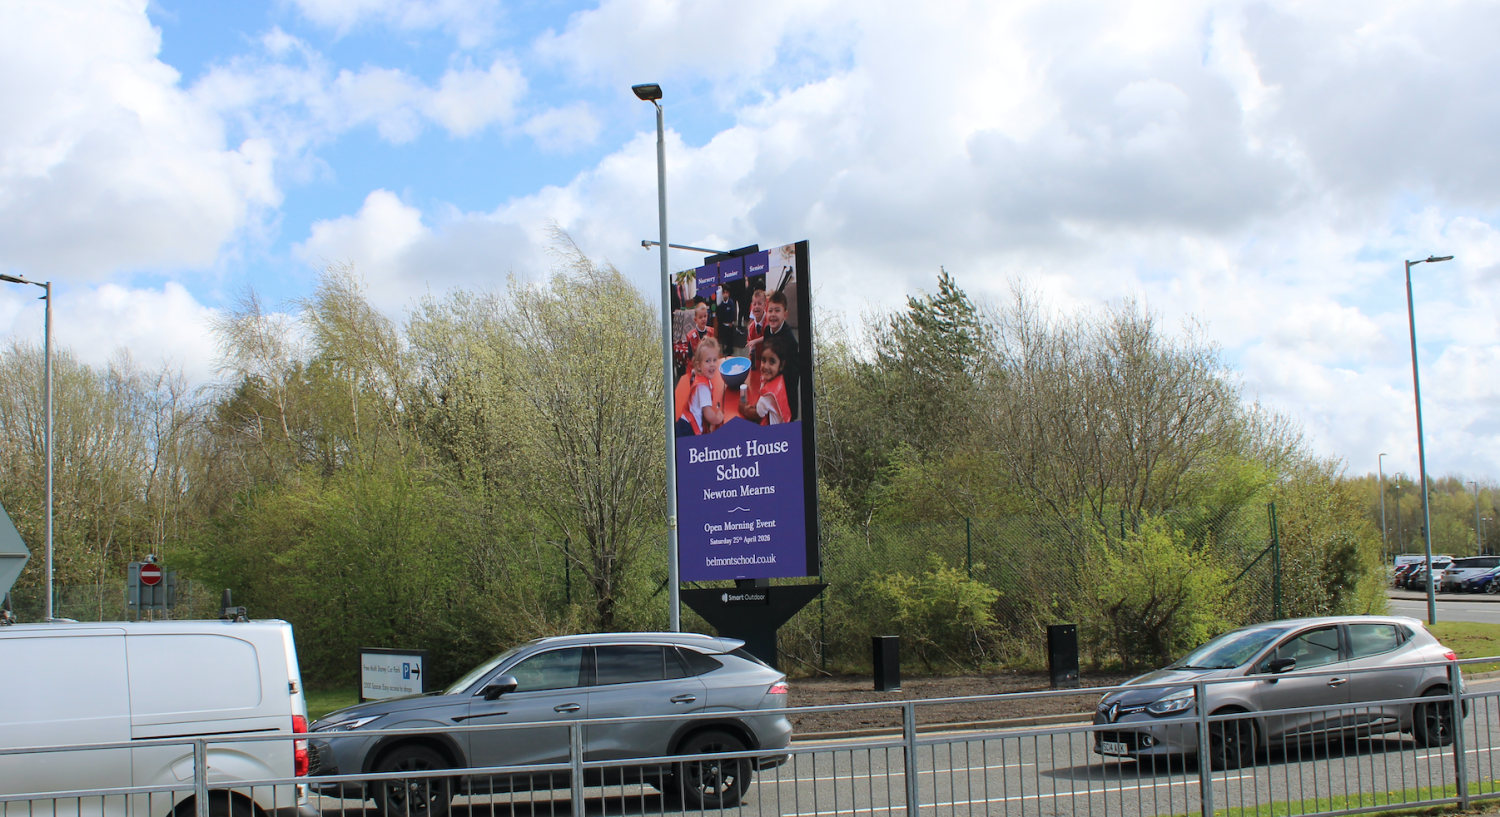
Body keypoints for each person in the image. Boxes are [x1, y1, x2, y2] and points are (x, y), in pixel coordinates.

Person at [760, 291, 799, 419]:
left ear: (785, 314)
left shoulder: (790, 341)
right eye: (770, 311)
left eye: (777, 311)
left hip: (784, 392)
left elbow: (793, 377)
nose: (773, 315)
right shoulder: (767, 330)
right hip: (770, 384)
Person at [675, 337, 725, 436]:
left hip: (685, 423)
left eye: (715, 360)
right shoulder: (703, 387)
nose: (712, 365)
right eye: (708, 361)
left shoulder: (700, 376)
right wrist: (718, 418)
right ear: (698, 366)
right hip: (688, 429)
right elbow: (708, 415)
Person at [739, 336, 792, 425]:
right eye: (764, 360)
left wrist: (744, 409)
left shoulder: (769, 395)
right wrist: (754, 406)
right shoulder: (780, 379)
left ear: (782, 365)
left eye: (772, 362)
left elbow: (757, 414)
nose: (766, 366)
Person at [744, 289, 767, 355]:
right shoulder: (751, 327)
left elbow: (770, 336)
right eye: (754, 304)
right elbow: (750, 346)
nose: (756, 306)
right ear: (751, 306)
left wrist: (756, 341)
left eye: (759, 304)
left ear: (765, 305)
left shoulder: (770, 321)